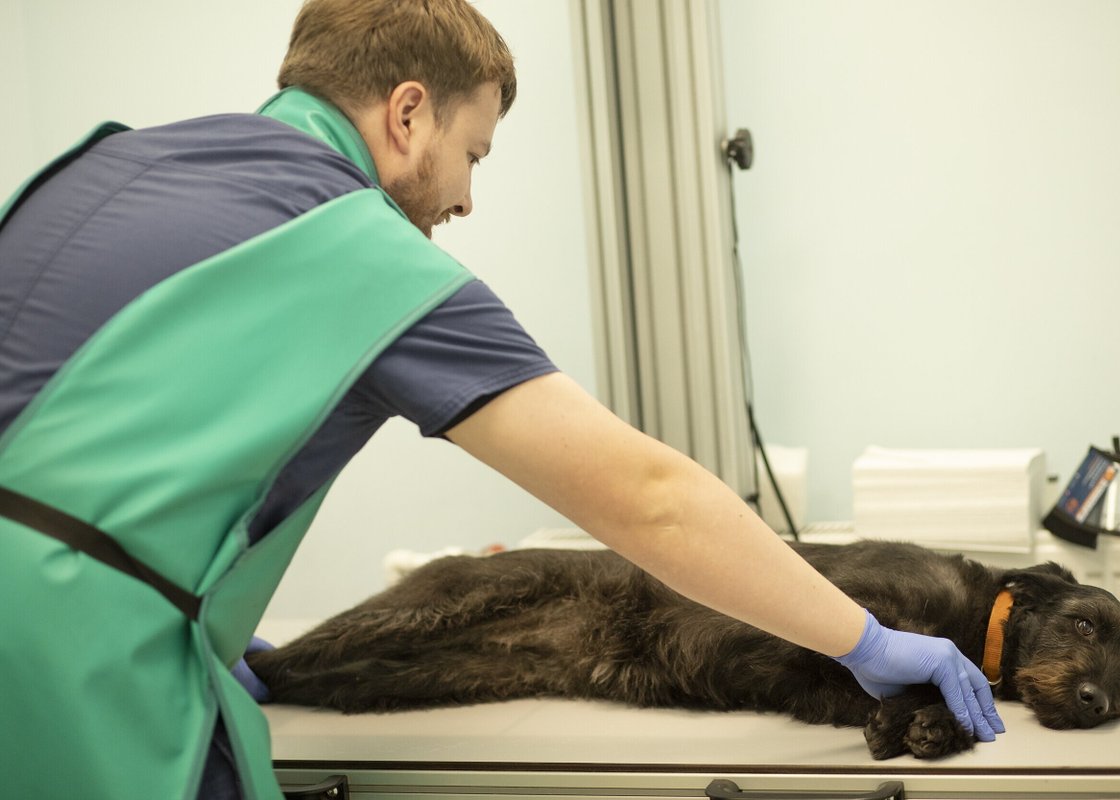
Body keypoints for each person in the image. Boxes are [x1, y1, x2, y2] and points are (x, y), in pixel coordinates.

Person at [0, 1, 1002, 798]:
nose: (467, 199)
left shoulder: (111, 164)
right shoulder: (362, 247)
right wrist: (862, 638)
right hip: (77, 668)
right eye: (473, 153)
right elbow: (647, 497)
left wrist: (193, 604)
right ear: (407, 114)